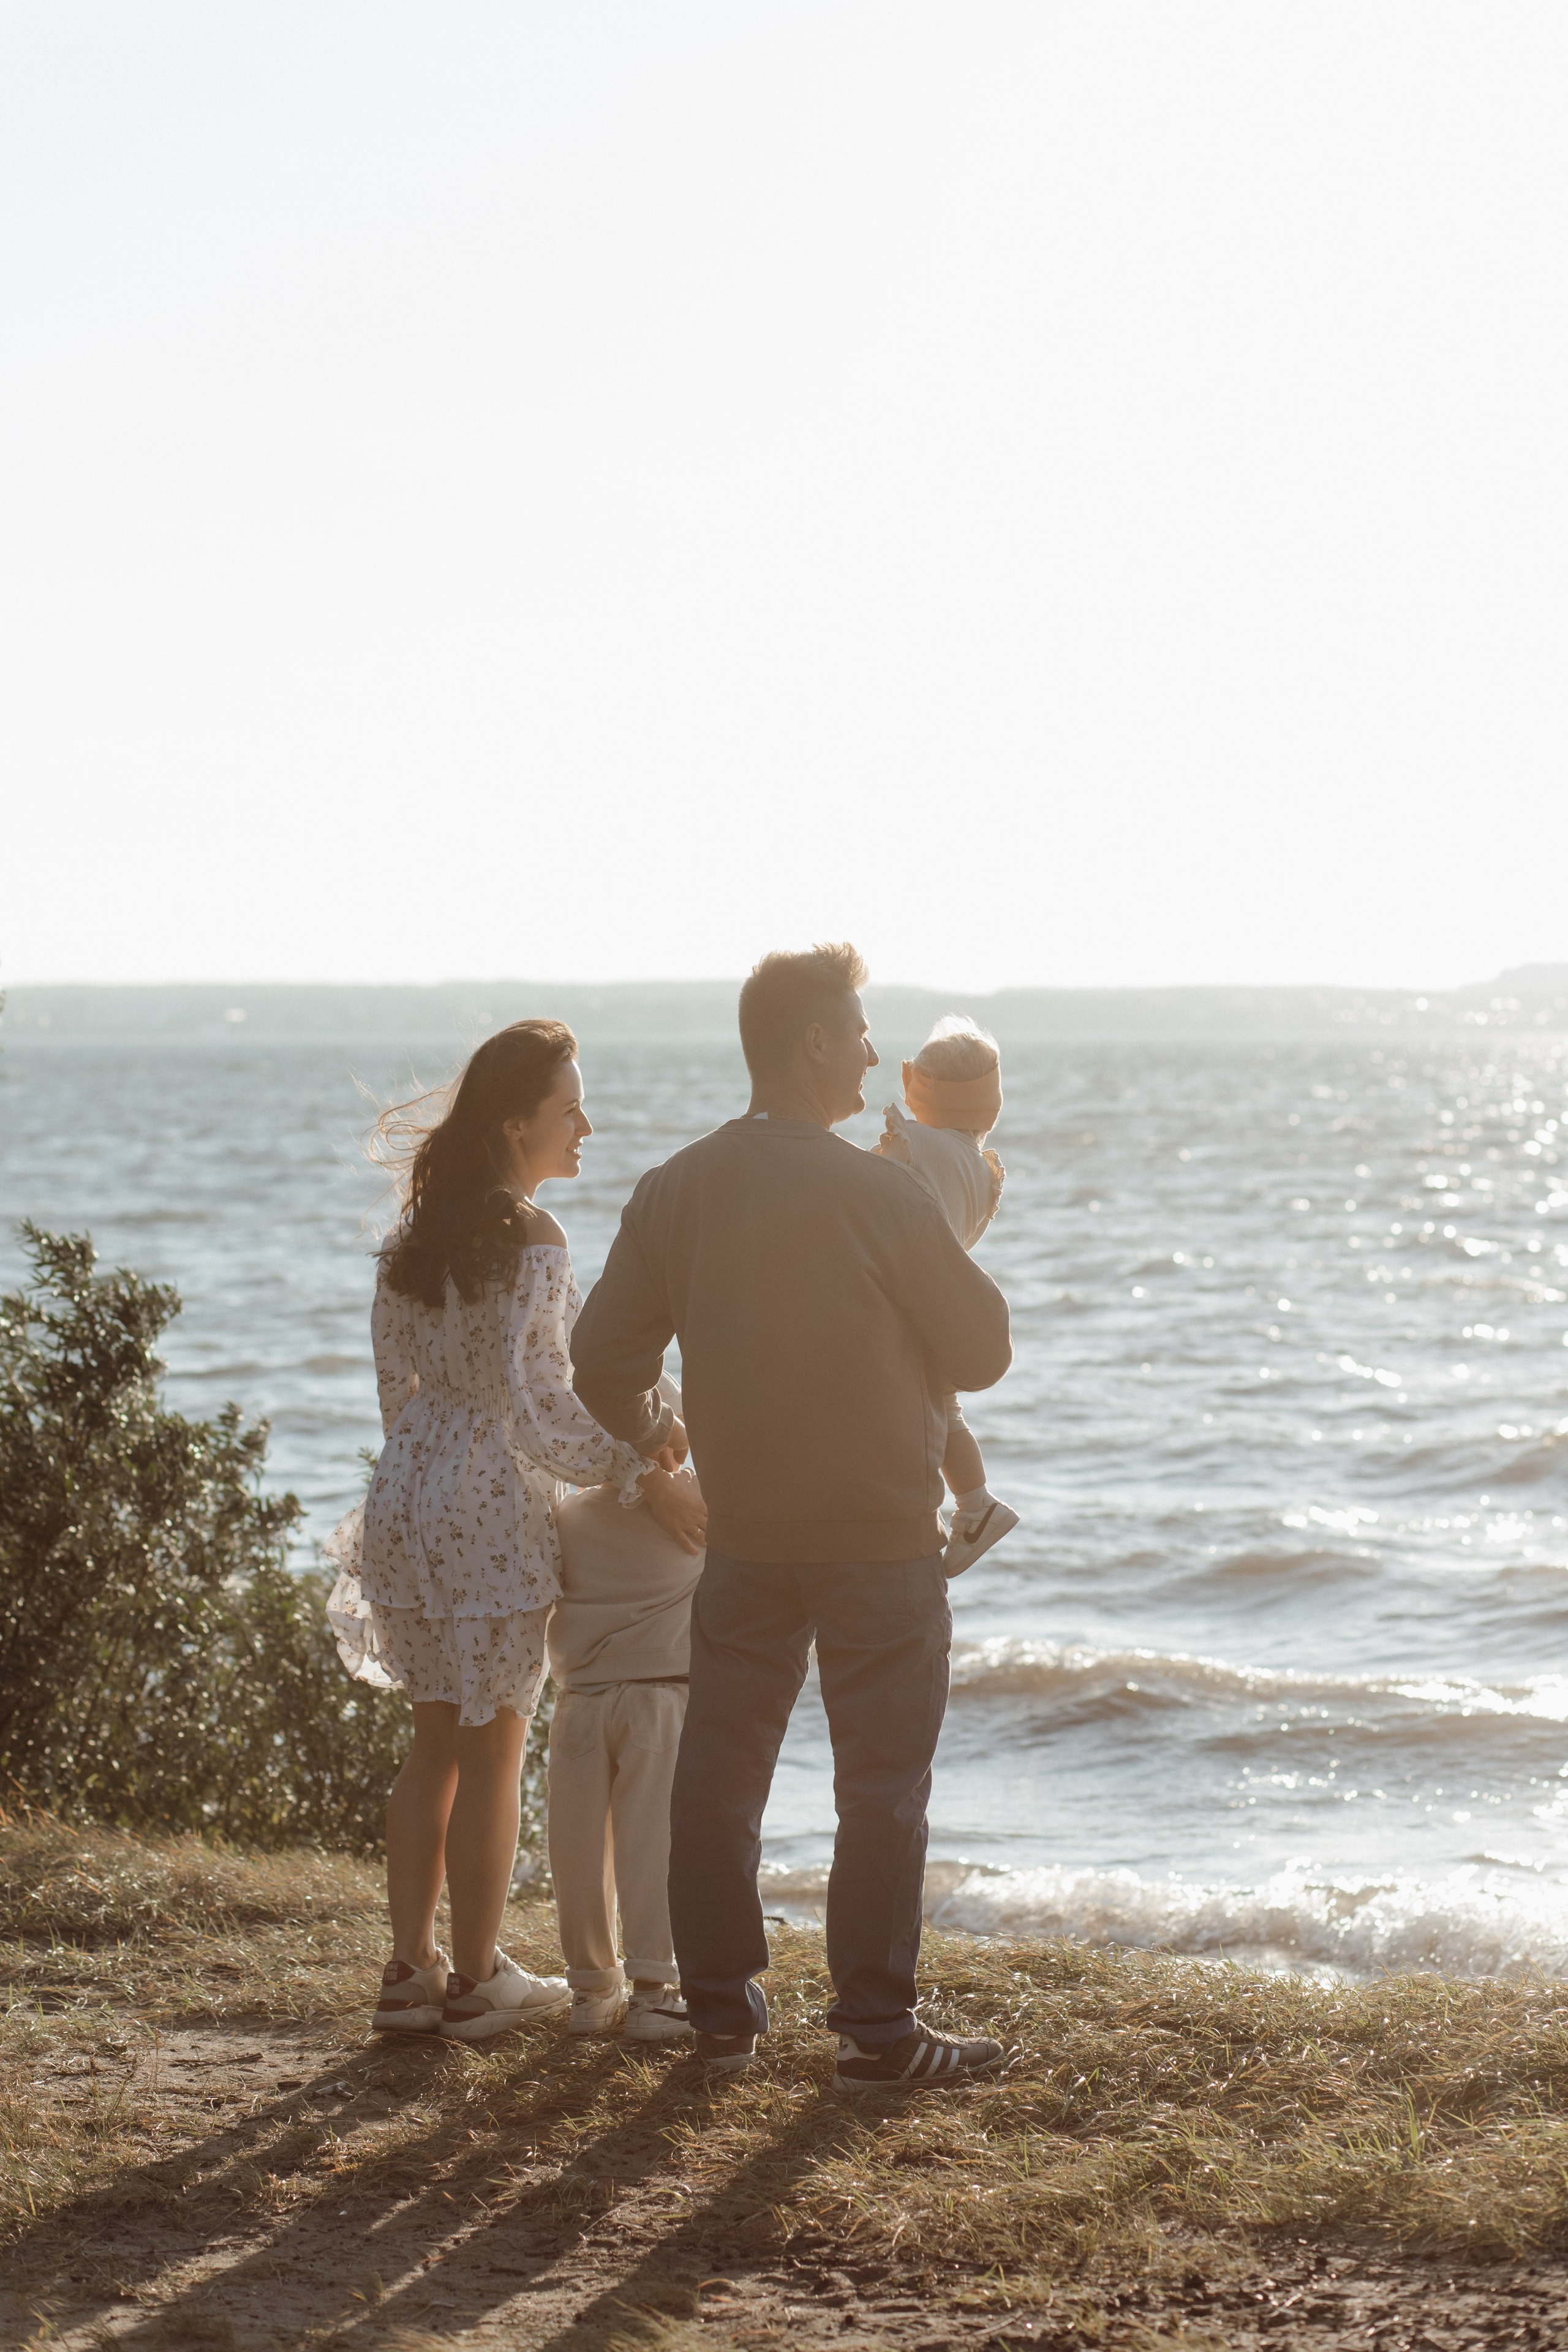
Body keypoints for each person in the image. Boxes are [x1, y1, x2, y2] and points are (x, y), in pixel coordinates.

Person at [570, 944, 1014, 2095]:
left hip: (747, 1538)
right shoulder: (883, 1192)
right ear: (814, 1043)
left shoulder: (677, 1187)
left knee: (720, 1777)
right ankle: (876, 2031)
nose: (875, 1051)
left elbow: (601, 1357)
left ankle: (721, 2010)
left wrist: (656, 1431)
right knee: (879, 1787)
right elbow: (985, 1351)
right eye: (861, 1030)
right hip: (877, 1541)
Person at [326, 1020, 707, 2043]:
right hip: (488, 1497)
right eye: (568, 1108)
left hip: (405, 1491)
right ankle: (482, 1979)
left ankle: (409, 1975)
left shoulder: (416, 1238)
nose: (586, 1124)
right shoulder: (535, 1236)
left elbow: (393, 1388)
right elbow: (541, 1405)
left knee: (432, 1744)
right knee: (496, 1751)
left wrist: (427, 1470)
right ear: (514, 1125)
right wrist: (639, 1470)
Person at [546, 1376, 703, 2043]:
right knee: (650, 1846)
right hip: (660, 1697)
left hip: (579, 1701)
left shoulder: (569, 1514)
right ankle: (653, 1990)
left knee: (577, 1850)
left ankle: (589, 1989)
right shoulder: (695, 1503)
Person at [874, 1016, 1020, 1577]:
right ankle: (974, 1502)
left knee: (932, 1410)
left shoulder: (911, 1144)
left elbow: (863, 1201)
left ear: (917, 1084)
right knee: (944, 1408)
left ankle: (975, 1504)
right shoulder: (980, 1170)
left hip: (902, 1304)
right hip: (942, 1302)